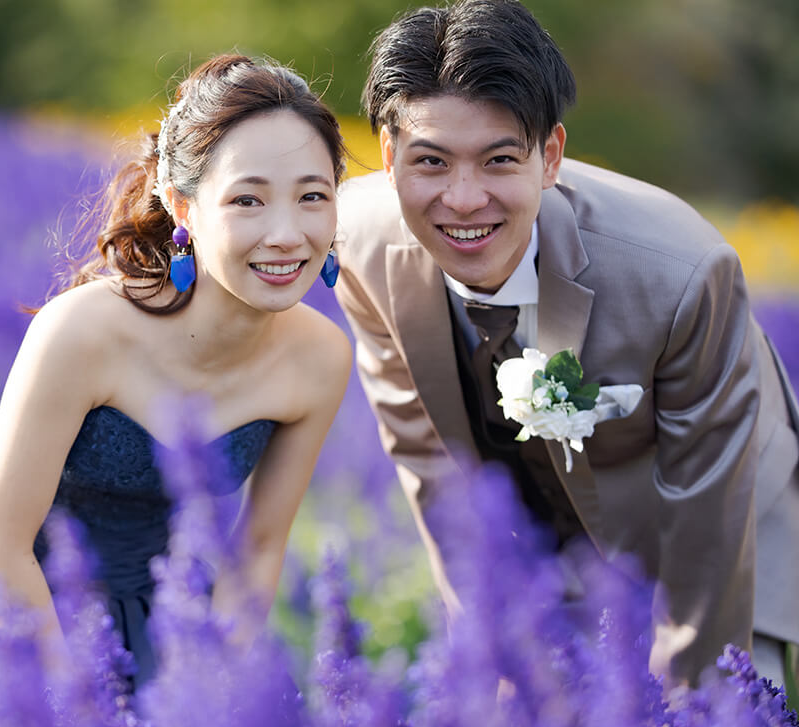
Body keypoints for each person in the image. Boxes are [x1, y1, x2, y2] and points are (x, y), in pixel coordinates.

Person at [0, 53, 352, 705]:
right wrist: (75, 715)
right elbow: (1, 544)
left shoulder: (318, 358)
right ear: (183, 206)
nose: (287, 233)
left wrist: (215, 693)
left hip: (145, 616)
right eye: (248, 199)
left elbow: (258, 552)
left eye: (312, 196)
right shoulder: (86, 332)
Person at [333, 0, 799, 688]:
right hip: (544, 552)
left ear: (550, 156)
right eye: (430, 161)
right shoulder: (359, 241)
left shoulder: (679, 273)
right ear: (388, 155)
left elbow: (709, 517)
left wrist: (689, 720)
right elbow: (431, 463)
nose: (462, 200)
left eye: (498, 161)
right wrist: (496, 651)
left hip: (716, 537)